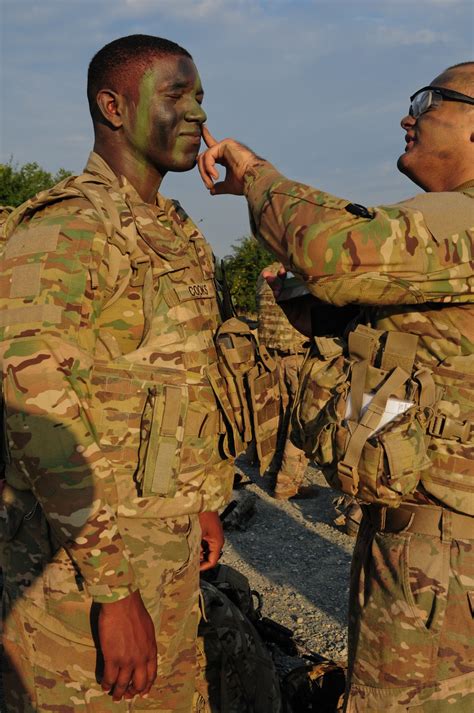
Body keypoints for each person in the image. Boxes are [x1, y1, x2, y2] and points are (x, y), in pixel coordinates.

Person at [198, 62, 474, 712]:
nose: (410, 116)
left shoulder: (459, 222)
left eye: (430, 101)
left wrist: (254, 174)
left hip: (444, 566)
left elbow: (328, 247)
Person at [0, 35, 236, 712]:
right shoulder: (70, 226)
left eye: (200, 98)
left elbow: (183, 380)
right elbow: (33, 402)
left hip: (168, 554)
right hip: (83, 572)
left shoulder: (175, 229)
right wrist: (111, 590)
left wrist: (202, 500)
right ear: (112, 106)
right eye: (174, 95)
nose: (195, 113)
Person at [256, 262, 309, 499]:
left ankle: (272, 471)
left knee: (279, 416)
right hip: (298, 356)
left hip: (271, 356)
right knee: (300, 419)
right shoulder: (300, 273)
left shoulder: (264, 275)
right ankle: (287, 483)